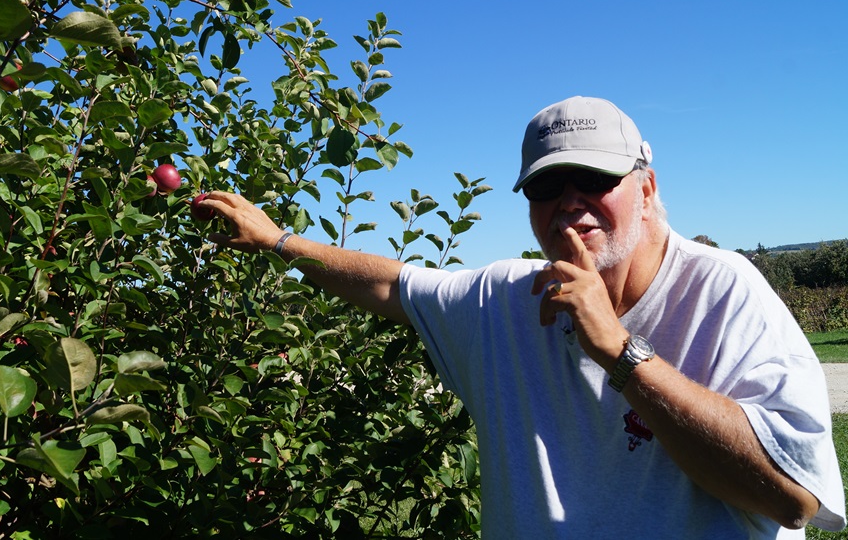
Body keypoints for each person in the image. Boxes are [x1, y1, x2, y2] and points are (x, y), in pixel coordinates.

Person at [199, 96, 846, 538]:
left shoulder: (723, 295)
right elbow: (393, 286)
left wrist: (620, 353)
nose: (570, 202)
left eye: (594, 178)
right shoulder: (503, 300)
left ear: (647, 190)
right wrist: (278, 241)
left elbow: (792, 496)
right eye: (545, 185)